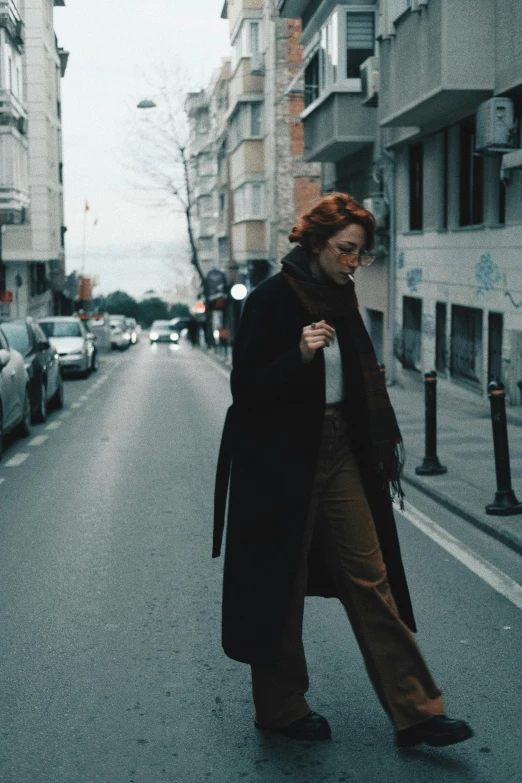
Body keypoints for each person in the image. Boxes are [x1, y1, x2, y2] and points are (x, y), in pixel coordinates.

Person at [213, 193, 473, 748]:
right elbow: (246, 391)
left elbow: (356, 382)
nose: (353, 262)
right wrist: (298, 357)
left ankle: (417, 712)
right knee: (282, 584)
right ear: (315, 241)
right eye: (345, 250)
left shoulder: (343, 298)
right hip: (282, 460)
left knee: (371, 578)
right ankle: (280, 708)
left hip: (340, 451)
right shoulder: (271, 300)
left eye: (360, 254)